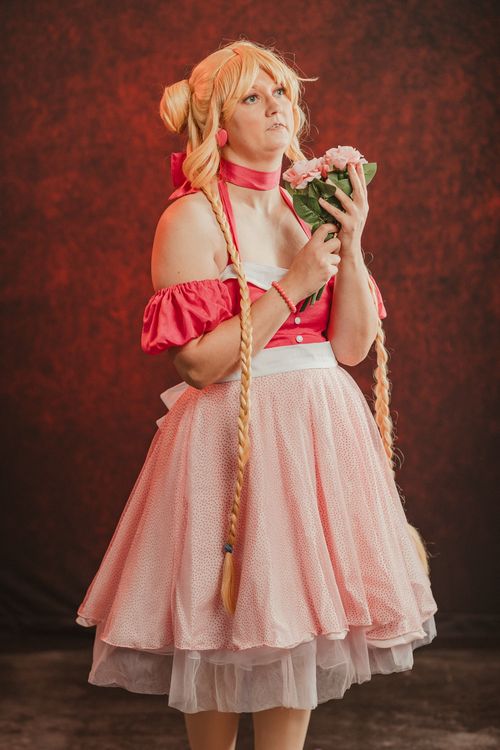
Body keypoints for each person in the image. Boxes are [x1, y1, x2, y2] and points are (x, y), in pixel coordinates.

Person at [75, 39, 438, 750]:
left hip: (321, 441)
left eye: (282, 93)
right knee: (221, 628)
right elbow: (200, 365)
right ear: (216, 122)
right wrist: (292, 285)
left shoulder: (311, 210)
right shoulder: (192, 219)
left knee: (297, 630)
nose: (277, 107)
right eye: (253, 96)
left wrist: (351, 244)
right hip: (232, 443)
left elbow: (351, 349)